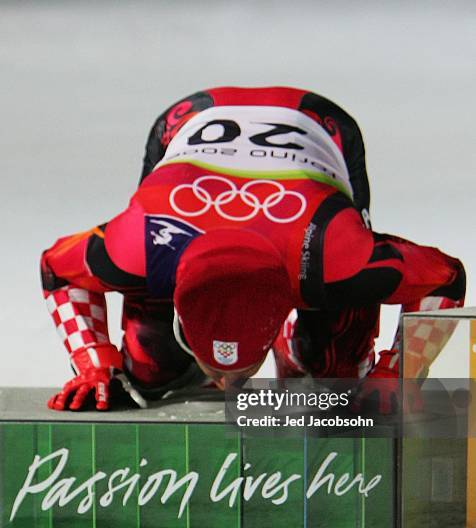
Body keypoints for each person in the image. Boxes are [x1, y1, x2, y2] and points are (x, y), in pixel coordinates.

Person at [41, 86, 465, 411]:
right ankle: (297, 344)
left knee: (337, 377)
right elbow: (443, 278)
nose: (230, 387)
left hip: (314, 127)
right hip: (220, 133)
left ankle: (294, 342)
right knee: (151, 367)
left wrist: (398, 373)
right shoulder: (139, 244)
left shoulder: (330, 256)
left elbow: (446, 278)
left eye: (242, 373)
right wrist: (95, 363)